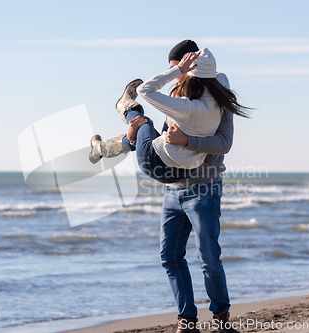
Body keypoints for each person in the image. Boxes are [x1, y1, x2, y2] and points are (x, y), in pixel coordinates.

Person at [89, 40, 249, 333]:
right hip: (174, 188)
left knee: (209, 257)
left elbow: (224, 143)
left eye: (176, 70)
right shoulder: (180, 95)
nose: (175, 77)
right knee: (170, 257)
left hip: (203, 188)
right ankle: (187, 321)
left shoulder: (217, 99)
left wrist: (187, 141)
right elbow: (166, 139)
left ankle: (222, 322)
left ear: (189, 67)